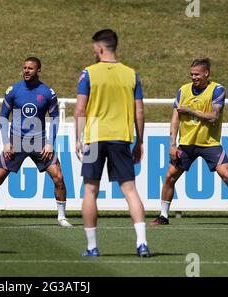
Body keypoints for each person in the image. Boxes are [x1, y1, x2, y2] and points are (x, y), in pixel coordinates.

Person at [0, 57, 72, 227]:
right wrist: (7, 142)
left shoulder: (47, 93)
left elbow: (55, 118)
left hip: (40, 142)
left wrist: (50, 142)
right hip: (17, 142)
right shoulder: (13, 90)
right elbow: (2, 117)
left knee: (58, 177)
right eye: (24, 68)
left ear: (38, 70)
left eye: (30, 68)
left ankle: (62, 217)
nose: (26, 71)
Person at [75, 29, 150, 257]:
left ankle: (92, 247)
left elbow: (80, 108)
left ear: (99, 48)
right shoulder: (131, 74)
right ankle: (142, 243)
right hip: (121, 136)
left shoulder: (88, 73)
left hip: (95, 136)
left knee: (90, 190)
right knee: (130, 190)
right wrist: (139, 141)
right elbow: (139, 111)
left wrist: (77, 138)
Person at [150, 58, 228, 227]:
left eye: (197, 74)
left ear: (206, 73)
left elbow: (214, 117)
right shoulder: (183, 90)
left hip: (209, 143)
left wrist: (189, 110)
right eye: (191, 74)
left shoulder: (217, 90)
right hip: (187, 144)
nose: (193, 77)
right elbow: (175, 118)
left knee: (227, 175)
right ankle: (163, 216)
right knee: (169, 176)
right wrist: (172, 144)